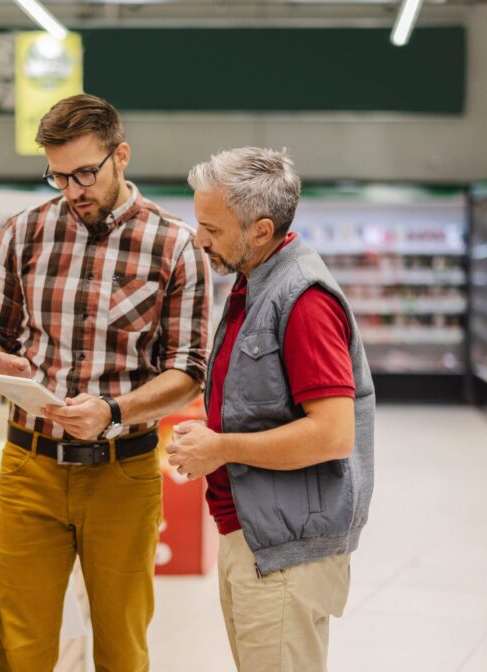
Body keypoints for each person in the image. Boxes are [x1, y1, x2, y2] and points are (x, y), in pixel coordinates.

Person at [0, 93, 210, 672]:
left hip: (122, 472)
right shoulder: (23, 234)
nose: (73, 190)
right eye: (58, 176)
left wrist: (113, 411)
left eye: (84, 172)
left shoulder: (174, 246)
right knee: (21, 650)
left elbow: (188, 371)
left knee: (121, 649)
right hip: (29, 468)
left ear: (120, 155)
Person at [166, 147, 375, 672]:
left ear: (260, 230)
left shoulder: (302, 300)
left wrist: (221, 448)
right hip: (258, 533)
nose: (199, 239)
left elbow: (332, 435)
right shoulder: (253, 283)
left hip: (286, 552)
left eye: (211, 227)